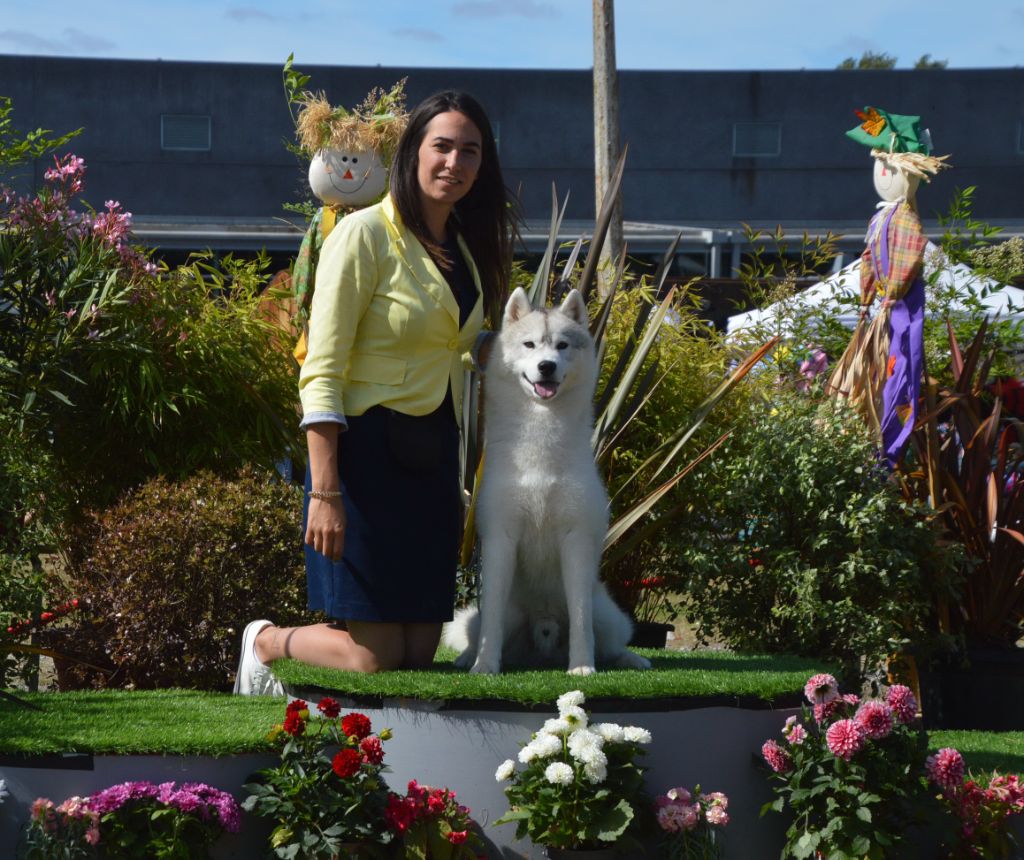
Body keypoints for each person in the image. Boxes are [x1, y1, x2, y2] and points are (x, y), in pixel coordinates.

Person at [234, 91, 514, 692]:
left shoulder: (463, 248)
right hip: (363, 458)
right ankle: (265, 644)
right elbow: (322, 366)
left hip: (432, 453)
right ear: (412, 153)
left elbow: (450, 345)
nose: (455, 162)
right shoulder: (363, 235)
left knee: (418, 651)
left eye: (470, 151)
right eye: (442, 146)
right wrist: (325, 491)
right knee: (373, 655)